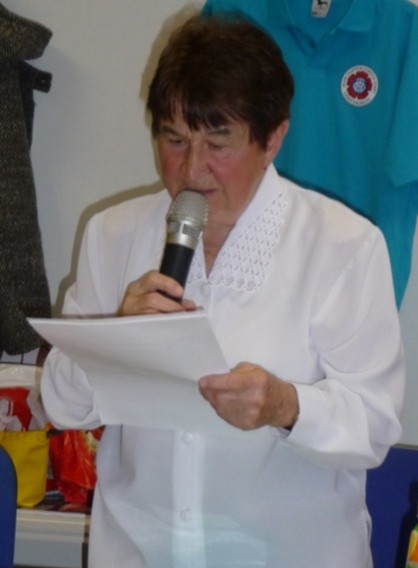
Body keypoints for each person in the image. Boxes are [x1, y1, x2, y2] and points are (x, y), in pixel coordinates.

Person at [40, 14, 405, 568]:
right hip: (138, 553)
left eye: (218, 143)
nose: (192, 170)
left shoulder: (344, 246)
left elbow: (373, 430)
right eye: (174, 139)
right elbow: (61, 406)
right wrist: (112, 337)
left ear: (273, 138)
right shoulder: (112, 234)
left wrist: (287, 406)